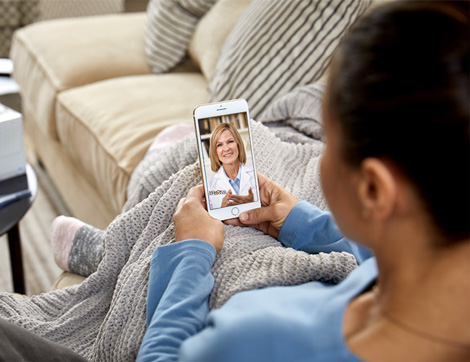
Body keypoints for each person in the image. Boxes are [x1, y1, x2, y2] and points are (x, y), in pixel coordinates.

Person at [137, 1, 469, 361]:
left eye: (329, 138)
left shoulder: (256, 341)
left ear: (373, 189)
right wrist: (300, 223)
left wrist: (191, 254)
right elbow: (391, 253)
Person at [207, 122, 257, 208]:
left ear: (238, 144)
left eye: (230, 142)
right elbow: (210, 220)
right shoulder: (209, 185)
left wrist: (253, 204)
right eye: (219, 145)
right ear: (215, 151)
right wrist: (222, 210)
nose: (226, 149)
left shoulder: (257, 173)